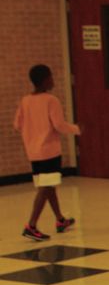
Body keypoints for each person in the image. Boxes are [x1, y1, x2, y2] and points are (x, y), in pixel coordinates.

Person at [13, 64, 80, 242]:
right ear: (44, 80)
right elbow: (59, 125)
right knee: (46, 188)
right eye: (51, 76)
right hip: (49, 151)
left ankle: (60, 220)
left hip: (33, 152)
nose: (53, 79)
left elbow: (17, 125)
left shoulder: (25, 100)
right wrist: (77, 129)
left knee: (48, 187)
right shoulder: (51, 100)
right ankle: (31, 225)